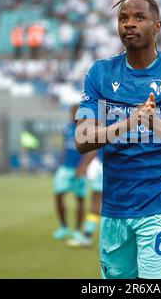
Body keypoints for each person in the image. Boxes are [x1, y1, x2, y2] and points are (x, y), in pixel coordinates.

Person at [75, 0, 161, 279]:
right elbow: (82, 139)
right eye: (123, 19)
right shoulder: (100, 73)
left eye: (138, 18)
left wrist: (157, 124)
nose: (129, 24)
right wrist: (128, 122)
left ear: (157, 26)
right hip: (115, 209)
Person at [52, 104, 95, 245]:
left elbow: (91, 150)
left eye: (76, 112)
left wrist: (83, 167)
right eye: (72, 112)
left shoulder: (87, 130)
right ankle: (64, 227)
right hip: (65, 167)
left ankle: (77, 230)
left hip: (79, 169)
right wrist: (61, 162)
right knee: (58, 195)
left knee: (80, 199)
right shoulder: (67, 128)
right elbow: (65, 147)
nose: (74, 115)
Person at [67, 149, 103, 248]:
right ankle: (88, 235)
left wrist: (83, 166)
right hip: (128, 168)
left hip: (107, 166)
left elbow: (95, 147)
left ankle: (87, 236)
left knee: (97, 201)